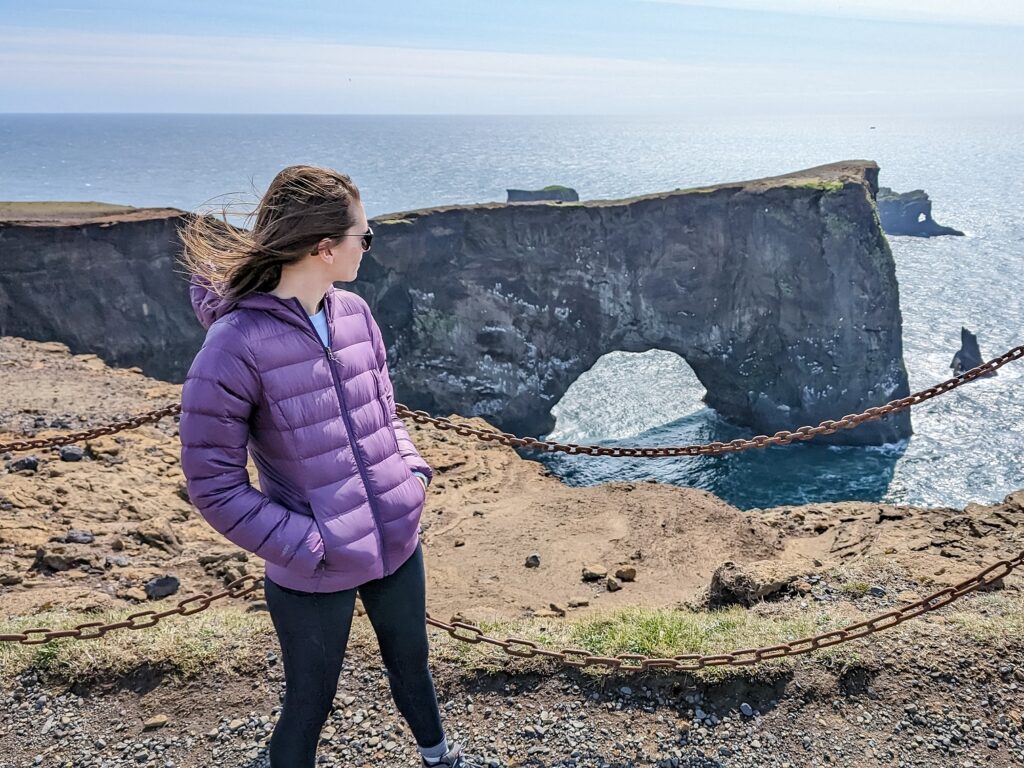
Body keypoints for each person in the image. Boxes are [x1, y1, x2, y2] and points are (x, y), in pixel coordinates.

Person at [176, 165, 483, 768]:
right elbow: (212, 486)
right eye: (362, 237)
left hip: (394, 536)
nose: (368, 248)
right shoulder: (235, 343)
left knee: (414, 669)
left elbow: (384, 410)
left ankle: (441, 757)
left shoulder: (354, 313)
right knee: (311, 702)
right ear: (324, 247)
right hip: (313, 562)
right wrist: (309, 543)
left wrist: (411, 477)